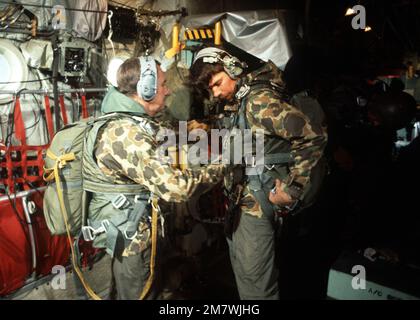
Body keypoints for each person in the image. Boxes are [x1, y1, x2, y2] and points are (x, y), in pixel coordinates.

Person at [81, 56, 226, 299]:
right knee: (140, 292)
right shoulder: (127, 134)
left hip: (128, 232)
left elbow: (158, 135)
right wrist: (223, 165)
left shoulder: (130, 121)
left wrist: (191, 129)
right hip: (132, 242)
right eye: (163, 84)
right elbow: (177, 188)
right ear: (145, 89)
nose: (168, 90)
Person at [189, 47, 327, 300]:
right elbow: (247, 134)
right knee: (250, 275)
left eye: (217, 84)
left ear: (233, 69)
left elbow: (312, 136)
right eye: (211, 90)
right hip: (247, 199)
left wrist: (294, 188)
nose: (216, 93)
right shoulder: (241, 100)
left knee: (255, 287)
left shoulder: (258, 101)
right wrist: (208, 127)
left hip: (256, 205)